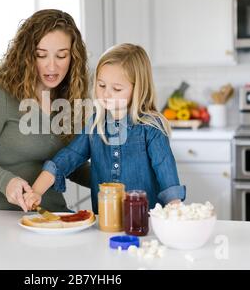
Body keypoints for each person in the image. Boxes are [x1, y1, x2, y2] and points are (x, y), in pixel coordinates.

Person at [24, 43, 186, 213]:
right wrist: (36, 191)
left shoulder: (151, 128)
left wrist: (175, 212)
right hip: (104, 222)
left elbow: (166, 172)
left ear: (138, 89)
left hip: (145, 223)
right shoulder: (95, 124)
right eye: (101, 85)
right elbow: (68, 158)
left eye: (116, 89)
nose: (106, 94)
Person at [0, 9, 91, 212]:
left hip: (50, 214)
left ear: (73, 57)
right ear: (28, 55)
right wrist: (6, 182)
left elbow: (69, 162)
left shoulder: (70, 99)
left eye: (61, 56)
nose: (52, 66)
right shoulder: (3, 92)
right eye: (41, 55)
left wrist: (113, 180)